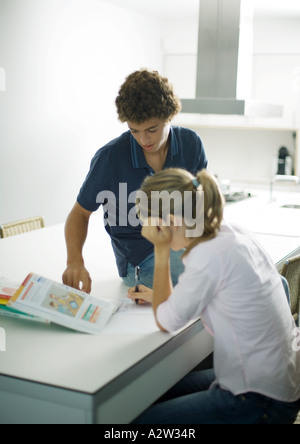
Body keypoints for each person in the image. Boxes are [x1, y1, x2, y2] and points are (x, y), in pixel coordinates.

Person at [128, 168, 300, 425]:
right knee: (159, 392)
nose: (145, 230)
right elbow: (217, 293)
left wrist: (160, 248)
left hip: (261, 400)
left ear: (171, 222)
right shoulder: (232, 232)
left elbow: (167, 321)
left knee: (142, 422)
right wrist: (160, 296)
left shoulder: (207, 256)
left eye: (148, 222)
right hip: (281, 380)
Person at [62, 69, 207, 292]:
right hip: (141, 258)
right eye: (134, 130)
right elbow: (80, 213)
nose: (143, 139)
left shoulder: (191, 144)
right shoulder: (110, 158)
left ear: (170, 116)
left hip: (185, 242)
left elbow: (201, 204)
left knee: (227, 258)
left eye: (152, 129)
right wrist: (74, 262)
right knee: (205, 277)